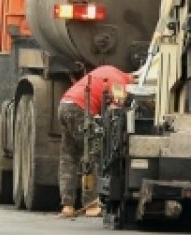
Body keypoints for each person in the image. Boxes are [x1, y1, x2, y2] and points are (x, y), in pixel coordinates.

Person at [57, 65, 134, 219]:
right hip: (80, 109)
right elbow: (117, 108)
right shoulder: (120, 82)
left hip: (65, 104)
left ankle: (67, 205)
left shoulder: (108, 71)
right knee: (91, 155)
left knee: (68, 158)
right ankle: (91, 205)